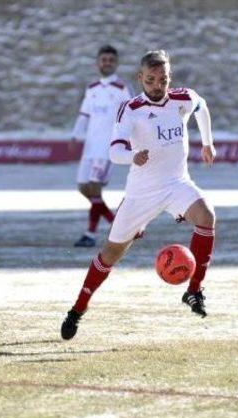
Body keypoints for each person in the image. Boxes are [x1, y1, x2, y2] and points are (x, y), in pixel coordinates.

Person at [61, 50, 217, 340]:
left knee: (206, 217)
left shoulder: (181, 98)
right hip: (140, 194)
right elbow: (115, 151)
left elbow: (202, 107)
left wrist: (207, 143)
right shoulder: (130, 108)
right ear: (140, 78)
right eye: (151, 80)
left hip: (176, 184)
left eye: (163, 79)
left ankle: (194, 290)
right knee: (110, 254)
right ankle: (77, 309)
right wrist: (133, 156)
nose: (158, 85)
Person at [71, 45, 132, 248]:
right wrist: (75, 135)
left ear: (116, 63)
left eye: (111, 60)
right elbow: (84, 114)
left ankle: (90, 234)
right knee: (83, 187)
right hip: (90, 147)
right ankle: (117, 225)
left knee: (95, 188)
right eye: (104, 60)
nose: (107, 63)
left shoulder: (122, 88)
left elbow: (132, 115)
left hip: (107, 149)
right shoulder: (92, 88)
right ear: (98, 62)